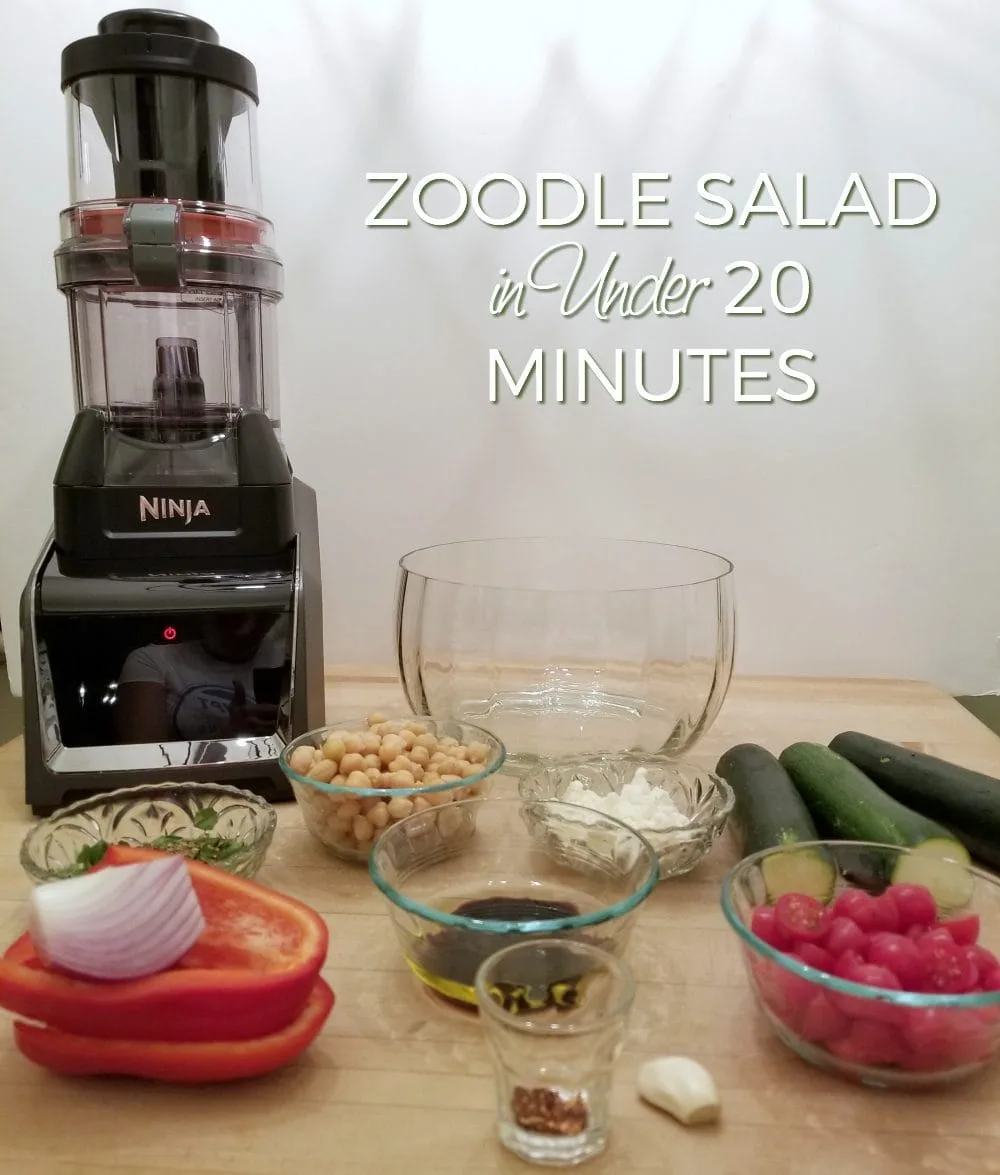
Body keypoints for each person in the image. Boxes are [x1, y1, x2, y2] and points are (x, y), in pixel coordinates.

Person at [114, 612, 288, 744]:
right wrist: (229, 734)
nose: (245, 630)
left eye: (262, 618)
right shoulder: (153, 661)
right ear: (205, 615)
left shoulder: (288, 658)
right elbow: (145, 764)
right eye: (233, 617)